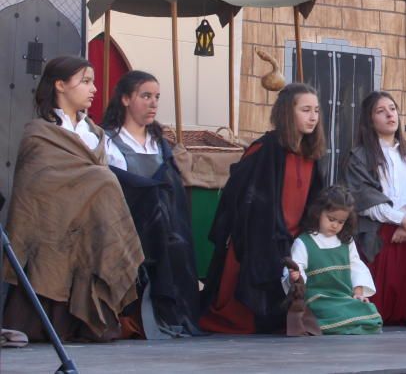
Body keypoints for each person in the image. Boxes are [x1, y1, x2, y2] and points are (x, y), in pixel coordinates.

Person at [2, 56, 143, 342]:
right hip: (50, 229)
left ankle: (91, 319)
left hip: (90, 229)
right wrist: (95, 182)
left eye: (93, 81)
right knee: (104, 180)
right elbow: (35, 191)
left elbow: (98, 184)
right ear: (60, 85)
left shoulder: (96, 134)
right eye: (85, 81)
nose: (93, 89)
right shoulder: (39, 133)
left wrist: (95, 185)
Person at [199, 83, 325, 334]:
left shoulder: (311, 155)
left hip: (293, 239)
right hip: (259, 239)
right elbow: (245, 199)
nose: (313, 117)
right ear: (287, 113)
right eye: (306, 110)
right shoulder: (264, 149)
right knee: (244, 319)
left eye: (317, 110)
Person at [102, 70, 201, 338]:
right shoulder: (109, 142)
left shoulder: (160, 145)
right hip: (129, 226)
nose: (153, 103)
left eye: (156, 97)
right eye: (145, 96)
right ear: (125, 99)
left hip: (166, 228)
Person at [341, 90, 406, 325]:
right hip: (378, 235)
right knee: (377, 308)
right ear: (370, 120)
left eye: (392, 109)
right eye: (380, 111)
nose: (389, 115)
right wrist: (399, 219)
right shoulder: (360, 157)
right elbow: (362, 196)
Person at [284, 186, 382, 335]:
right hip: (318, 300)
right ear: (318, 213)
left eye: (341, 222)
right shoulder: (304, 242)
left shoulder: (346, 241)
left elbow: (356, 266)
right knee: (332, 311)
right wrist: (296, 278)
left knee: (370, 311)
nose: (335, 225)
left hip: (343, 298)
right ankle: (346, 325)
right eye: (331, 219)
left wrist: (358, 293)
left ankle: (342, 325)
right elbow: (297, 269)